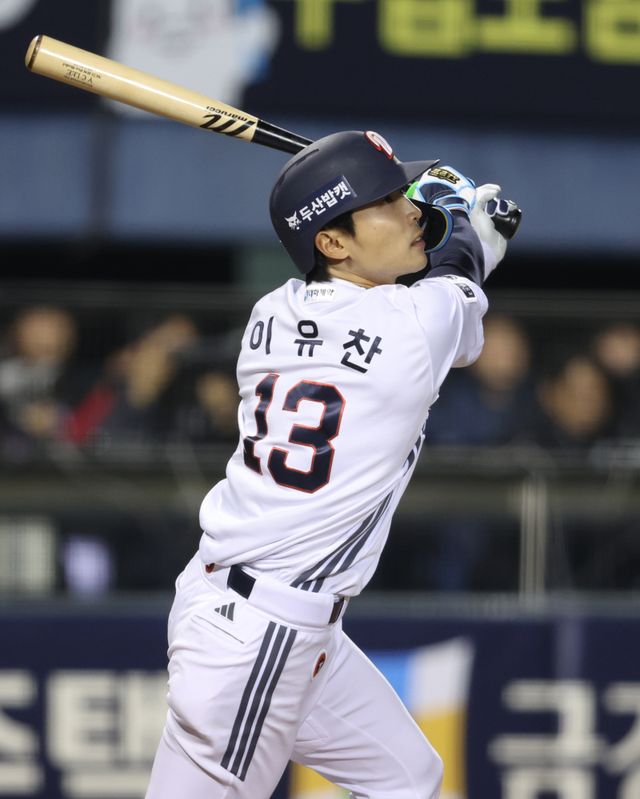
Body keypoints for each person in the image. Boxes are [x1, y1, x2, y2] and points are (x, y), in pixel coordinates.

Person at [145, 130, 510, 799]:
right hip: (263, 632)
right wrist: (470, 224)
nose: (410, 210)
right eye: (387, 202)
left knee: (407, 778)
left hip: (257, 608)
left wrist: (450, 229)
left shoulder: (272, 312)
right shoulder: (412, 326)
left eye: (401, 195)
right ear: (333, 243)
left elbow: (439, 298)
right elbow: (458, 288)